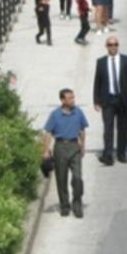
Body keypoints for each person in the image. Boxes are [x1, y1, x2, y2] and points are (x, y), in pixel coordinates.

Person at [92, 36, 127, 165]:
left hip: (123, 98)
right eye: (110, 44)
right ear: (106, 46)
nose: (113, 47)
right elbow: (97, 81)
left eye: (115, 44)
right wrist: (96, 100)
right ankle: (108, 154)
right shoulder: (101, 62)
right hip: (108, 99)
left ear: (118, 45)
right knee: (108, 128)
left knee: (122, 127)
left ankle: (121, 153)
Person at [42, 88, 89, 218]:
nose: (73, 100)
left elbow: (82, 130)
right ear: (62, 100)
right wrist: (46, 149)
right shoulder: (55, 115)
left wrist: (83, 146)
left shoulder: (78, 112)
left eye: (73, 97)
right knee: (61, 179)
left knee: (78, 178)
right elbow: (48, 132)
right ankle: (64, 206)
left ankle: (77, 203)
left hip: (75, 147)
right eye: (70, 98)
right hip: (60, 147)